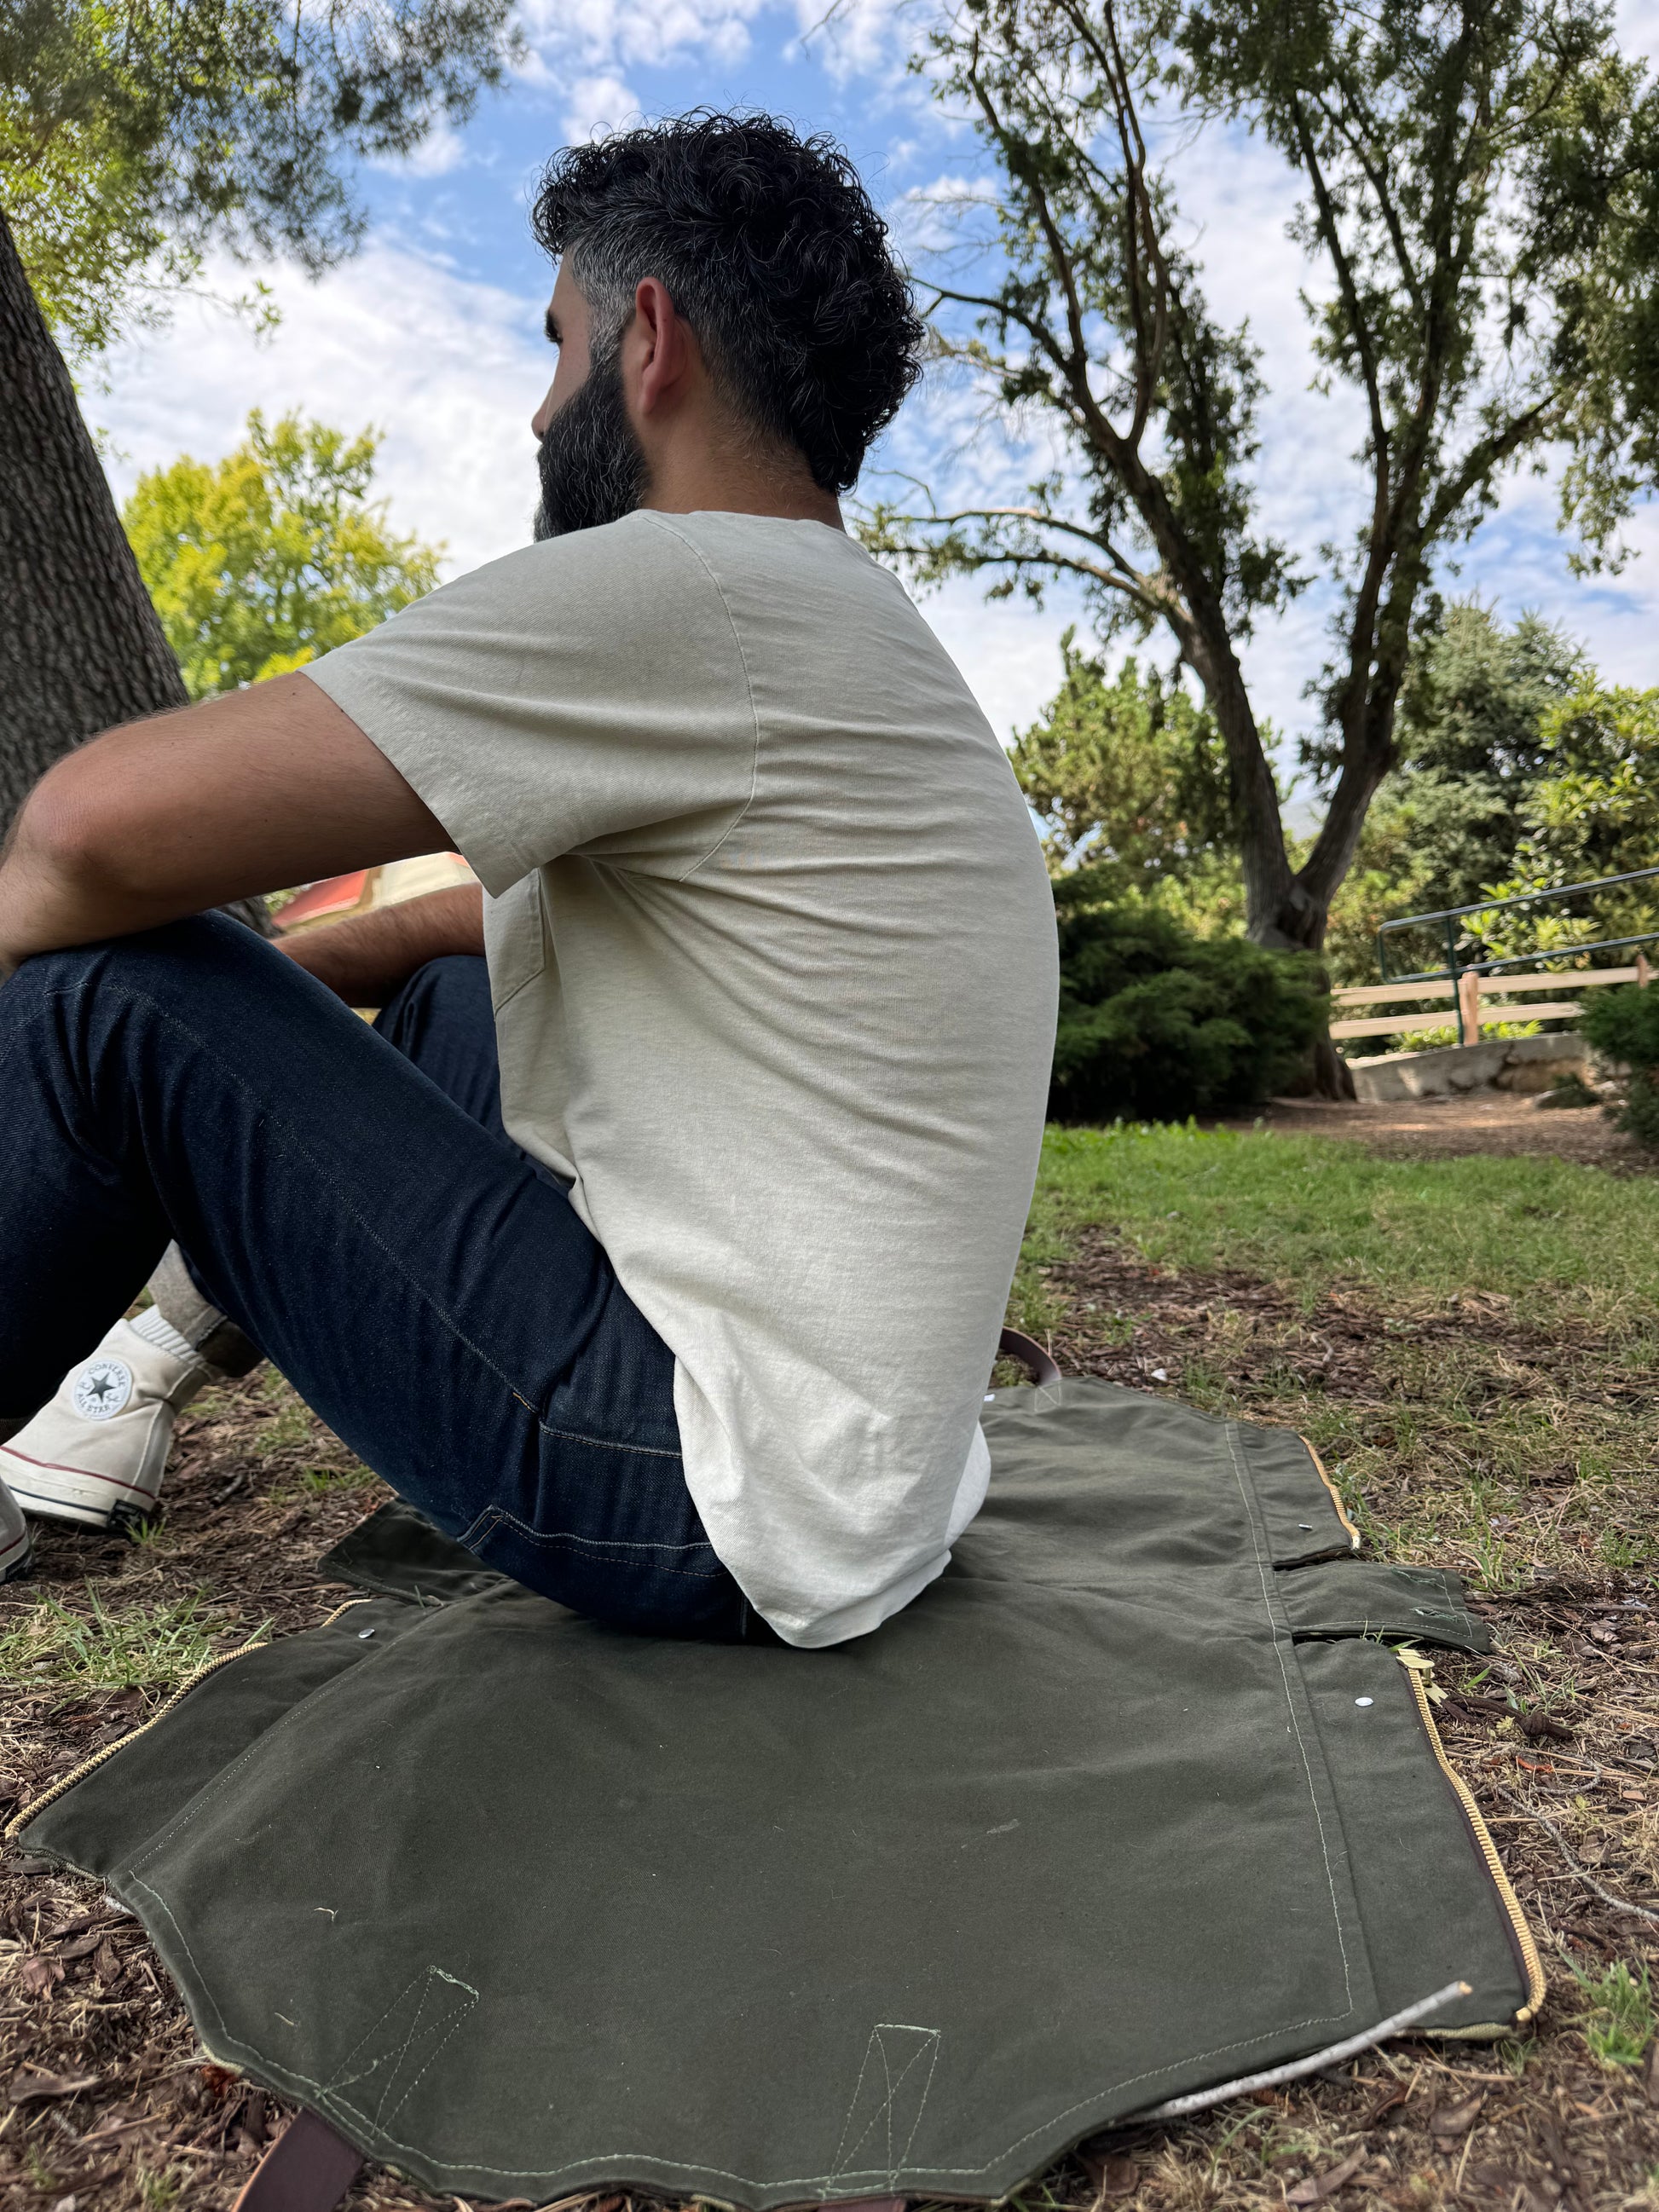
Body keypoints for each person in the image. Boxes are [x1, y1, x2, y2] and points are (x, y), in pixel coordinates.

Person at [0, 113, 1059, 1646]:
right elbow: (476, 933)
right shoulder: (831, 628)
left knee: (109, 997)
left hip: (695, 1493)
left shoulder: (687, 585)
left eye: (554, 346)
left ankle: (114, 1376)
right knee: (438, 991)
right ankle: (142, 1363)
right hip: (850, 1479)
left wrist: (179, 1022)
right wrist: (278, 1008)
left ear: (647, 339)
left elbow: (79, 838)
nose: (537, 410)